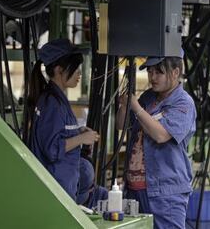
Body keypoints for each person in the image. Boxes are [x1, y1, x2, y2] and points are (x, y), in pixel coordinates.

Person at [116, 53, 196, 228]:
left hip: (164, 193)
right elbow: (121, 125)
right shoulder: (148, 98)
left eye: (158, 72)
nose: (152, 77)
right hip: (135, 189)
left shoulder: (183, 104)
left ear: (175, 72)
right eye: (150, 72)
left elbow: (161, 135)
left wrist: (136, 107)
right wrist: (124, 104)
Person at [28, 38, 107, 205]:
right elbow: (51, 149)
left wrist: (77, 132)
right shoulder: (51, 103)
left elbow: (57, 134)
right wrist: (80, 139)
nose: (79, 73)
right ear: (59, 70)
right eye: (75, 68)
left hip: (63, 188)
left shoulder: (57, 100)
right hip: (55, 191)